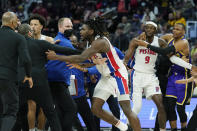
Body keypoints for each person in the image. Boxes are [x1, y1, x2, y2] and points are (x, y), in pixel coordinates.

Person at [46, 17, 141, 131]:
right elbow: (90, 62)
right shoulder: (90, 44)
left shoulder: (100, 42)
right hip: (106, 77)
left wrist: (56, 57)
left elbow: (81, 57)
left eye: (83, 29)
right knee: (95, 108)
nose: (80, 31)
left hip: (117, 75)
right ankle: (124, 127)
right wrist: (82, 66)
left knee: (126, 109)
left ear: (91, 31)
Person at [17, 23, 81, 131]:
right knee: (51, 114)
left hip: (21, 82)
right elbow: (63, 50)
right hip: (40, 82)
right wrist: (82, 53)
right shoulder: (41, 44)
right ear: (29, 33)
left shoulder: (15, 47)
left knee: (17, 114)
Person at [135, 23, 195, 131]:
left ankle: (184, 129)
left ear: (184, 32)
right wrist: (145, 35)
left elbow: (164, 51)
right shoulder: (169, 37)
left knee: (180, 108)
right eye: (174, 29)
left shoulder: (183, 42)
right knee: (169, 106)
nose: (175, 31)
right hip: (170, 76)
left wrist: (146, 45)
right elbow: (155, 38)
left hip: (184, 77)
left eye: (178, 29)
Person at [124, 21, 167, 131]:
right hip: (137, 75)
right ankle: (126, 126)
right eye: (146, 27)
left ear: (155, 30)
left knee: (161, 106)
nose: (148, 30)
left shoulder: (160, 42)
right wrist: (124, 64)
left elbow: (169, 52)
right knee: (137, 107)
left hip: (151, 77)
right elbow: (127, 57)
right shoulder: (137, 40)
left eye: (151, 28)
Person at [0, 12, 33, 131]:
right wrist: (29, 75)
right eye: (17, 21)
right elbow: (26, 60)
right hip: (8, 78)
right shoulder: (18, 37)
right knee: (11, 111)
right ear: (13, 22)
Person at [46, 17, 77, 131]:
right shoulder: (63, 42)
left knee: (59, 110)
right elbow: (79, 56)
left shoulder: (59, 40)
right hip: (57, 81)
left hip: (56, 80)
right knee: (71, 109)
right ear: (60, 27)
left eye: (71, 27)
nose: (70, 28)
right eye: (67, 26)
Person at [28, 14, 54, 131]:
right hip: (29, 76)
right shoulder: (25, 39)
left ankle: (40, 129)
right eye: (31, 24)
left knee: (43, 107)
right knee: (31, 105)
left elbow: (53, 58)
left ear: (41, 27)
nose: (32, 27)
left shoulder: (48, 40)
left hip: (45, 75)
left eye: (35, 24)